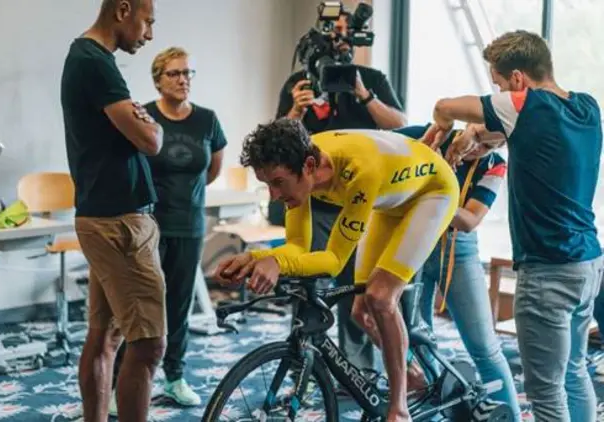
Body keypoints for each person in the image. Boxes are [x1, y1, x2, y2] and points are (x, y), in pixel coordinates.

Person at [214, 118, 460, 422]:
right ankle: (412, 369)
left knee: (381, 297)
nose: (273, 196)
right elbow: (297, 247)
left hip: (431, 193)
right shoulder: (302, 166)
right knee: (360, 311)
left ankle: (399, 409)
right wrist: (256, 257)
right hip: (389, 199)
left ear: (308, 166)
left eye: (277, 182)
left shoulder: (359, 172)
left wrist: (276, 262)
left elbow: (333, 261)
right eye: (267, 184)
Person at [422, 30, 603, 422]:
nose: (498, 91)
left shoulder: (526, 104)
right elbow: (519, 136)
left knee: (545, 392)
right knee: (574, 373)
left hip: (547, 272)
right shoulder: (587, 108)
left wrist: (443, 122)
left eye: (499, 83)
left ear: (518, 79)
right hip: (588, 264)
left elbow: (445, 105)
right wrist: (475, 136)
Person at [273, 8, 406, 372]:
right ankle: (303, 359)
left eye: (349, 36)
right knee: (307, 281)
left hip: (360, 198)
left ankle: (357, 368)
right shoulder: (300, 82)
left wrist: (364, 94)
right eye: (335, 33)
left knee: (353, 288)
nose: (341, 41)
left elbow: (401, 124)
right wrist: (295, 110)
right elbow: (278, 139)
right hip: (313, 201)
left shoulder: (371, 78)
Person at [60, 1, 165, 421]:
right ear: (124, 9)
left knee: (103, 337)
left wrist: (144, 123)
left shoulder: (85, 57)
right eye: (148, 21)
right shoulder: (96, 62)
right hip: (119, 223)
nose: (149, 34)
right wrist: (151, 125)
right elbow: (151, 140)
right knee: (148, 344)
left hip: (104, 217)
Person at [108, 46, 227, 414]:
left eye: (188, 73)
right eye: (174, 73)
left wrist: (187, 199)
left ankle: (175, 376)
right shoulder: (144, 115)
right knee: (142, 309)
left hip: (189, 224)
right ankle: (119, 385)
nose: (183, 80)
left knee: (178, 305)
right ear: (158, 79)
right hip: (148, 225)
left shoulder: (207, 120)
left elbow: (212, 170)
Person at [396, 124, 520, 420]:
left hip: (457, 248)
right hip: (410, 240)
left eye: (489, 147)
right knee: (416, 338)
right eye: (477, 139)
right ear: (470, 126)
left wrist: (430, 202)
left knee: (484, 345)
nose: (478, 149)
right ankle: (438, 411)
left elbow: (470, 219)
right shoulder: (427, 135)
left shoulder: (495, 164)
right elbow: (379, 150)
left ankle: (512, 417)